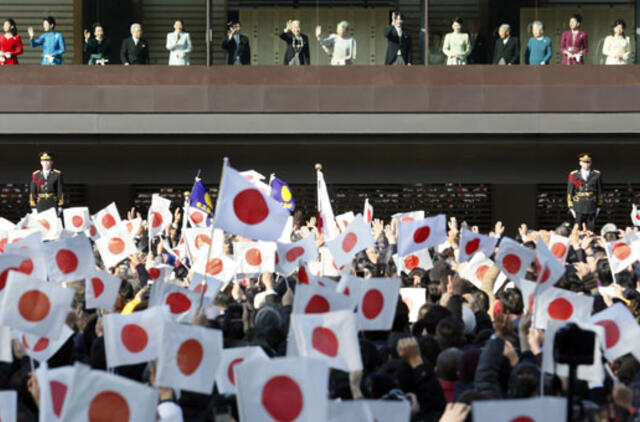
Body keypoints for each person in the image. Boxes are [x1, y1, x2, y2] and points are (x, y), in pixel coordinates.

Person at [567, 152, 602, 231]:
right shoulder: (574, 175)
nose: (586, 164)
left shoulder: (597, 174)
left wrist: (599, 206)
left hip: (591, 205)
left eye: (588, 162)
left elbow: (599, 191)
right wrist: (571, 207)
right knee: (578, 229)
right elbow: (570, 192)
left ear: (591, 163)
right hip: (578, 206)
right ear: (580, 163)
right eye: (584, 162)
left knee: (591, 230)